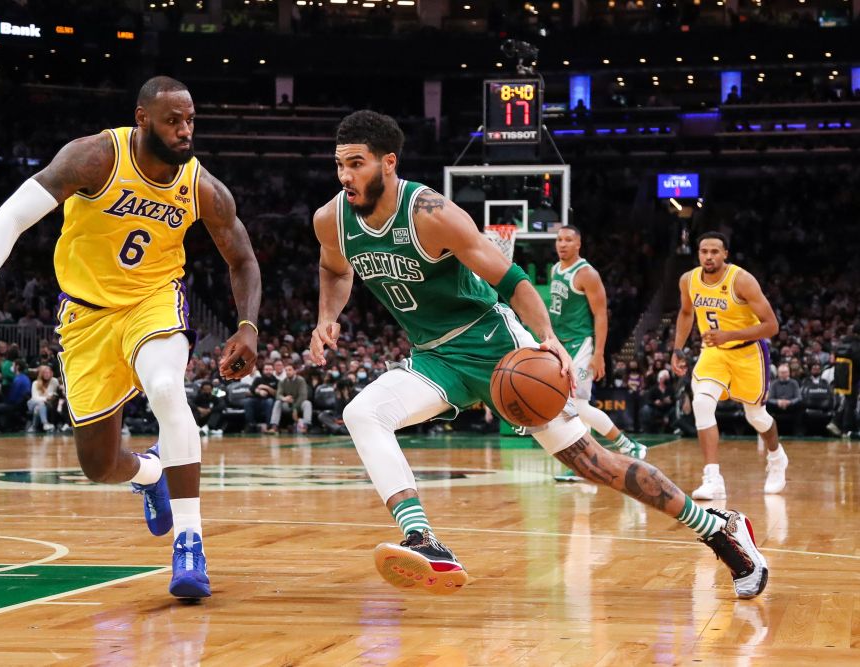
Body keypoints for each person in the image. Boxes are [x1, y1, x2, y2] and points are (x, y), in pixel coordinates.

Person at [310, 110, 767, 599]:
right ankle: (424, 540)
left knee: (590, 462)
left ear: (388, 163)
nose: (344, 176)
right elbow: (335, 272)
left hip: (495, 346)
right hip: (433, 358)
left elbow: (512, 280)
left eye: (355, 164)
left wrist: (546, 338)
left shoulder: (431, 215)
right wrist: (326, 316)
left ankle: (719, 527)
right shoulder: (331, 220)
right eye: (339, 165)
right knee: (363, 412)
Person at [0, 75, 261, 599]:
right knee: (98, 464)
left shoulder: (201, 187)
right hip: (85, 315)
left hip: (153, 302)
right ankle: (150, 474)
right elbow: (12, 215)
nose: (185, 131)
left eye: (191, 120)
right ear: (143, 118)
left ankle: (190, 541)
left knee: (168, 390)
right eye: (173, 120)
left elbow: (241, 259)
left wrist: (248, 325)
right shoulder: (95, 158)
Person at [672, 232, 788, 499]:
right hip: (713, 353)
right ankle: (713, 478)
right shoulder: (688, 280)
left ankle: (776, 457)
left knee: (756, 417)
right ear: (698, 253)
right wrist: (677, 349)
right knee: (701, 403)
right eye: (704, 251)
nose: (709, 256)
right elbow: (687, 313)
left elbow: (771, 326)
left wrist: (729, 335)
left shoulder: (742, 280)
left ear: (725, 254)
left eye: (714, 252)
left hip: (748, 353)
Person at [546, 226, 646, 482]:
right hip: (562, 344)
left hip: (582, 344)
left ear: (578, 244)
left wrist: (599, 353)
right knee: (575, 408)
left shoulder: (587, 273)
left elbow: (601, 314)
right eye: (559, 239)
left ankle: (627, 445)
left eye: (568, 240)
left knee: (578, 405)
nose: (563, 244)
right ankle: (584, 464)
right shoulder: (555, 270)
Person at [28, 364, 60, 433]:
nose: (47, 374)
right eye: (45, 373)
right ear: (41, 374)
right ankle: (45, 424)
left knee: (38, 407)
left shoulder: (54, 381)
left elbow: (54, 394)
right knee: (39, 404)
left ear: (52, 373)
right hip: (32, 403)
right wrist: (46, 398)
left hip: (47, 405)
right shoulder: (35, 383)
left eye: (48, 373)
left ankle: (34, 426)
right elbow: (34, 397)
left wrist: (49, 397)